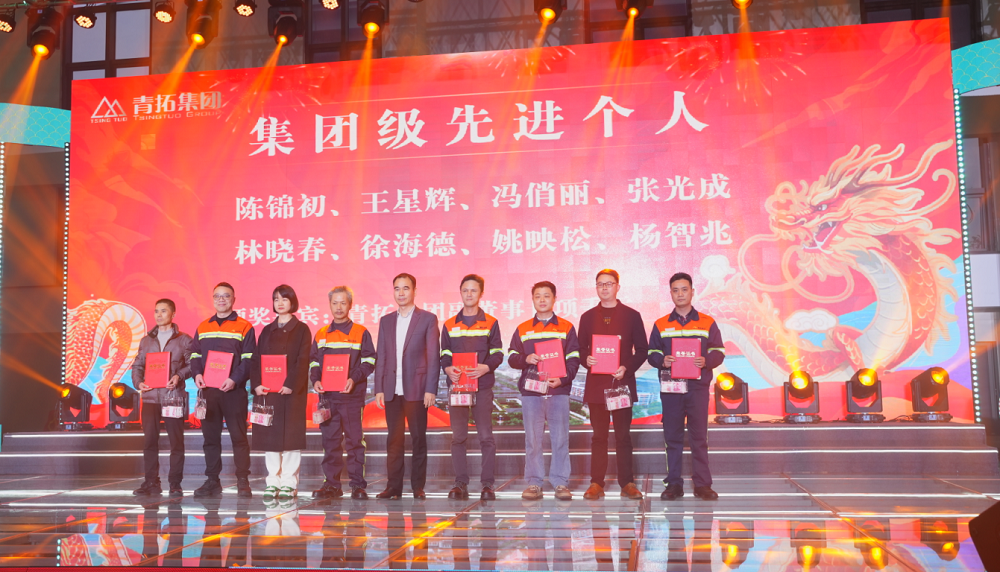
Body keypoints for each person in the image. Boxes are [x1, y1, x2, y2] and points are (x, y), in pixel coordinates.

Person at [647, 272, 726, 501]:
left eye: (684, 289)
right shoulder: (661, 324)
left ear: (692, 292)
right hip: (671, 388)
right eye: (675, 290)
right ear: (670, 293)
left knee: (699, 437)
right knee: (672, 437)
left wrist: (706, 361)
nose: (680, 294)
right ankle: (674, 484)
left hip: (697, 388)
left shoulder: (707, 322)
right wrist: (662, 360)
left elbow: (718, 351)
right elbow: (652, 353)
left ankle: (702, 484)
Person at [578, 269, 648, 501]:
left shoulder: (632, 316)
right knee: (599, 436)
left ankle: (627, 482)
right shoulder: (587, 317)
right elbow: (580, 349)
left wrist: (626, 367)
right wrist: (586, 359)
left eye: (609, 284)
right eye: (600, 284)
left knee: (623, 436)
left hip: (621, 384)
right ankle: (596, 482)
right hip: (597, 386)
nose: (604, 288)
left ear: (618, 287)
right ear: (596, 288)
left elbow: (643, 350)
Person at [508, 281, 580, 501]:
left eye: (546, 295)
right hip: (532, 393)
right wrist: (525, 358)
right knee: (533, 440)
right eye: (537, 296)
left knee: (560, 439)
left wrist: (563, 379)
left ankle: (560, 482)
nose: (542, 299)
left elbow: (574, 358)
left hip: (558, 391)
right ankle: (534, 483)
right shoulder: (523, 329)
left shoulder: (566, 327)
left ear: (554, 299)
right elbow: (511, 357)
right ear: (532, 299)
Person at [373, 273, 441, 500]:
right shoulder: (386, 321)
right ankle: (393, 487)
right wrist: (379, 388)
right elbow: (381, 356)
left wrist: (430, 389)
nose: (401, 293)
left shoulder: (428, 319)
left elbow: (433, 356)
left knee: (418, 438)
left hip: (417, 389)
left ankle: (417, 487)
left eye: (405, 288)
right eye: (397, 288)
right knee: (394, 439)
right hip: (392, 389)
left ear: (414, 291)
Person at [189, 282, 257, 498]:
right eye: (217, 296)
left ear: (233, 299)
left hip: (234, 391)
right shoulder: (203, 327)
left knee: (239, 437)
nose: (221, 299)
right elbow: (195, 355)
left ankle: (243, 480)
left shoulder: (245, 327)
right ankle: (212, 481)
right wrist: (197, 374)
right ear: (213, 299)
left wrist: (234, 379)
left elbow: (249, 359)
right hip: (209, 391)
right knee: (210, 439)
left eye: (226, 296)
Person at [440, 274, 504, 501]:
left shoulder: (491, 323)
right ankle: (460, 483)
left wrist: (486, 367)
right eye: (465, 290)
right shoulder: (449, 324)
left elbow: (497, 353)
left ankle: (487, 485)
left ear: (481, 294)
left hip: (482, 387)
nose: (469, 294)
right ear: (460, 292)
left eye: (473, 290)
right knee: (458, 437)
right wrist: (447, 368)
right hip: (458, 387)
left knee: (486, 436)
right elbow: (444, 354)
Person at [310, 285, 377, 501]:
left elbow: (369, 361)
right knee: (330, 442)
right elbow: (314, 362)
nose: (338, 307)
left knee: (354, 441)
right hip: (328, 398)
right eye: (334, 303)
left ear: (350, 305)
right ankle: (332, 485)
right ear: (329, 305)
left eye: (343, 303)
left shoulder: (360, 332)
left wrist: (353, 379)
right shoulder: (321, 334)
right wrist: (315, 380)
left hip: (351, 397)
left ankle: (358, 486)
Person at [251, 284, 312, 500]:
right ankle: (272, 482)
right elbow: (256, 359)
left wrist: (291, 383)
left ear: (292, 302)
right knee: (271, 439)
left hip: (291, 392)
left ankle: (288, 482)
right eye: (276, 299)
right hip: (268, 392)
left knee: (291, 439)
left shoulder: (302, 329)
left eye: (284, 299)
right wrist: (256, 384)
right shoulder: (267, 330)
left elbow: (303, 360)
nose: (280, 303)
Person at [130, 298, 192, 496]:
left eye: (163, 311)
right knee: (149, 442)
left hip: (173, 397)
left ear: (173, 314)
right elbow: (137, 366)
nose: (159, 314)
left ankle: (175, 484)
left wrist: (178, 376)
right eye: (156, 311)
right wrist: (139, 383)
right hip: (150, 398)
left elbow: (193, 365)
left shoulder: (184, 340)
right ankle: (151, 482)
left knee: (176, 442)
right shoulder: (146, 341)